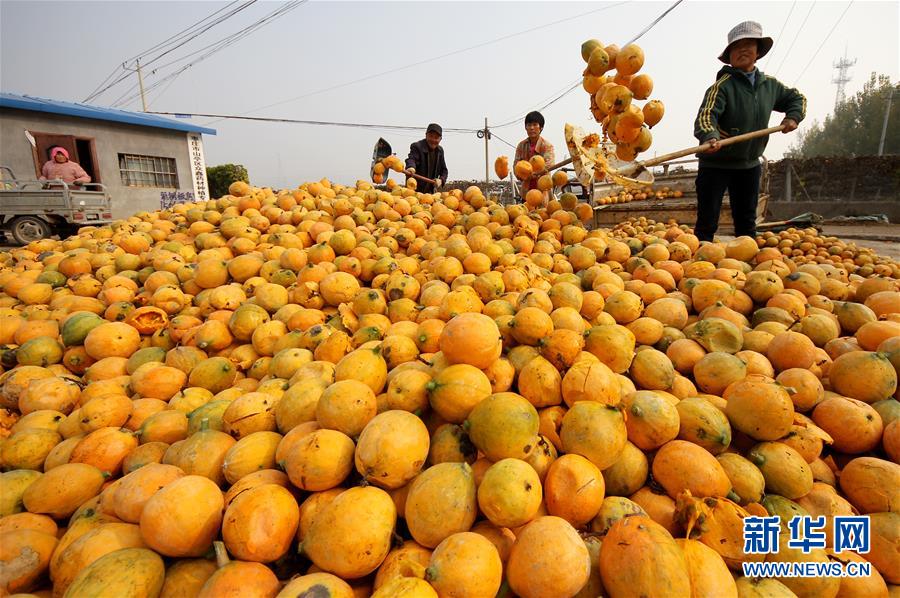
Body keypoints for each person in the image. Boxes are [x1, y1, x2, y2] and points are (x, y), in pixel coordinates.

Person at [693, 21, 805, 241]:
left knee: (746, 220)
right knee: (707, 220)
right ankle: (700, 258)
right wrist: (710, 135)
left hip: (748, 164)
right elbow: (706, 117)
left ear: (757, 52)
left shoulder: (769, 86)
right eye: (736, 46)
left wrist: (793, 116)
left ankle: (749, 264)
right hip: (716, 163)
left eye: (748, 44)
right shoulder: (722, 86)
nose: (742, 50)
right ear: (730, 55)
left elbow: (797, 99)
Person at [514, 111, 555, 196]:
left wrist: (532, 173)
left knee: (543, 209)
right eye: (529, 125)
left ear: (541, 127)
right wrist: (521, 174)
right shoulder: (521, 146)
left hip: (543, 191)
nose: (532, 128)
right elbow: (516, 166)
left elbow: (549, 165)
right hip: (526, 192)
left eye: (535, 125)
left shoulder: (547, 146)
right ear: (525, 127)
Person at [405, 123, 448, 194]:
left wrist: (441, 180)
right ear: (426, 135)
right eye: (431, 136)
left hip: (430, 194)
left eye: (436, 137)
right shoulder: (417, 146)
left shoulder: (440, 151)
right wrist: (411, 167)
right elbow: (411, 159)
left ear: (440, 139)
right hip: (414, 192)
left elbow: (444, 170)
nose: (433, 140)